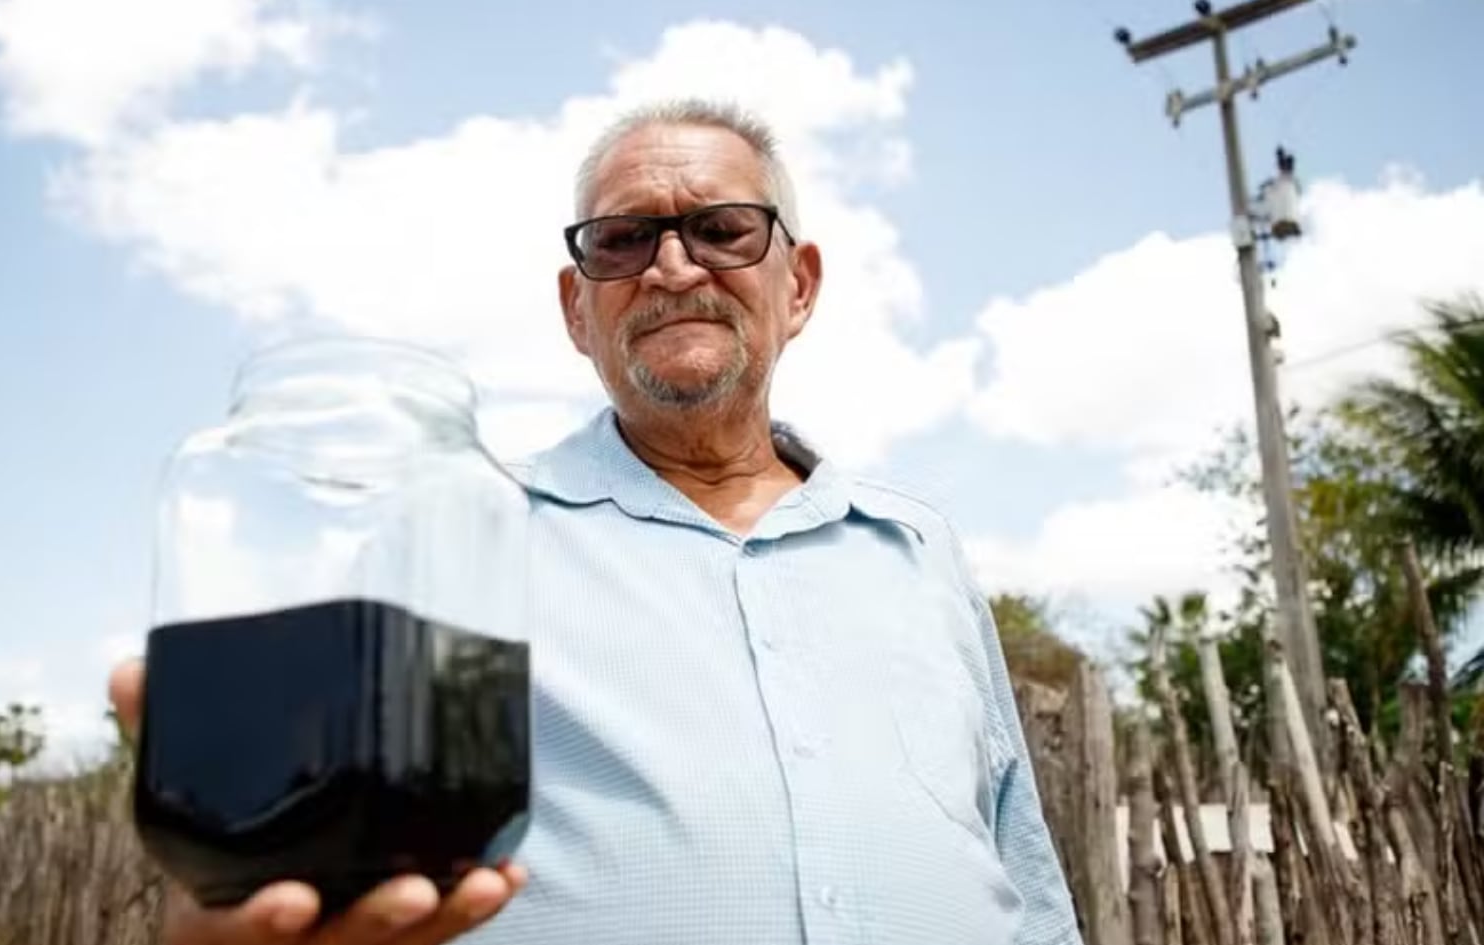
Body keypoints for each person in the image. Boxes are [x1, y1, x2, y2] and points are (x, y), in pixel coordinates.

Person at [109, 97, 1083, 945]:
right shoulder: (463, 542)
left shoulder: (918, 549)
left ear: (800, 284)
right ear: (579, 308)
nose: (671, 268)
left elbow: (1018, 865)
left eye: (723, 229)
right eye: (622, 241)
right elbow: (335, 834)